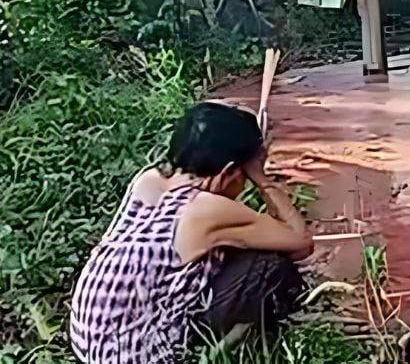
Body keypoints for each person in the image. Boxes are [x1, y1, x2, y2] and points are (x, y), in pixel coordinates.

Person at [70, 102, 312, 363]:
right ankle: (252, 347)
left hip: (92, 346)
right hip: (136, 354)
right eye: (243, 176)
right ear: (228, 172)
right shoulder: (204, 210)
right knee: (270, 265)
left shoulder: (149, 180)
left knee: (230, 249)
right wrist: (263, 180)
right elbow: (300, 243)